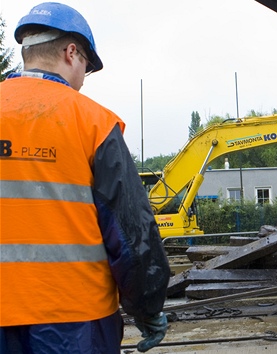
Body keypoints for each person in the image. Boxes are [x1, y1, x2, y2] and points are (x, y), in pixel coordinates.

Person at [0, 3, 170, 353]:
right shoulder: (93, 122)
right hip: (73, 318)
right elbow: (132, 233)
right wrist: (147, 306)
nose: (82, 79)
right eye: (86, 68)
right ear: (71, 52)